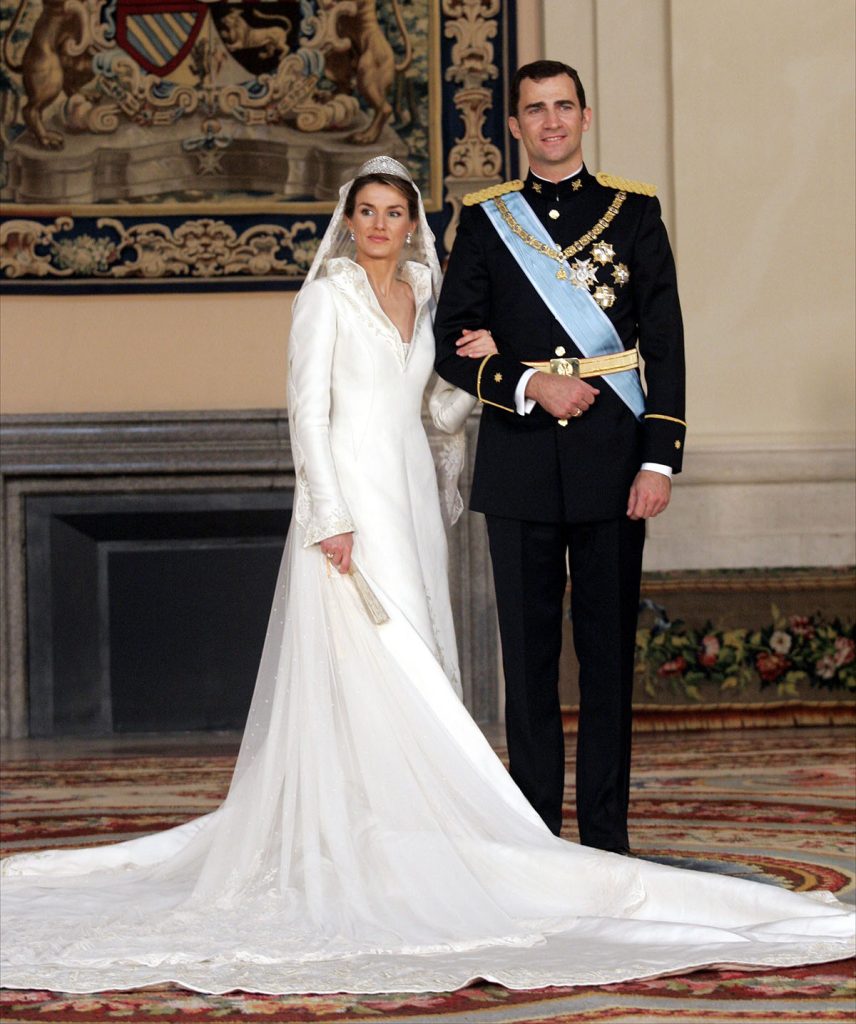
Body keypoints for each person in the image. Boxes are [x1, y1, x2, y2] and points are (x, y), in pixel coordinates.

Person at [0, 157, 852, 996]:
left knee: (419, 654)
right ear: (349, 217)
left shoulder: (428, 296)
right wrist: (328, 515)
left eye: (394, 212)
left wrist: (496, 356)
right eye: (366, 211)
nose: (380, 225)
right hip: (350, 500)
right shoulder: (326, 295)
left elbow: (440, 405)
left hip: (407, 491)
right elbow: (308, 410)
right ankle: (366, 837)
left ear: (413, 222)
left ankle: (417, 831)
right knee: (376, 662)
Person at [434, 60, 685, 853]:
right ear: (513, 126)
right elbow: (451, 344)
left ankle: (607, 839)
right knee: (530, 664)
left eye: (563, 108)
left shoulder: (633, 211)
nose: (549, 122)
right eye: (534, 111)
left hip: (616, 460)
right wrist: (531, 381)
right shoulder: (484, 219)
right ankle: (539, 839)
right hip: (518, 462)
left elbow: (666, 341)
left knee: (608, 663)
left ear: (585, 116)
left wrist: (660, 459)